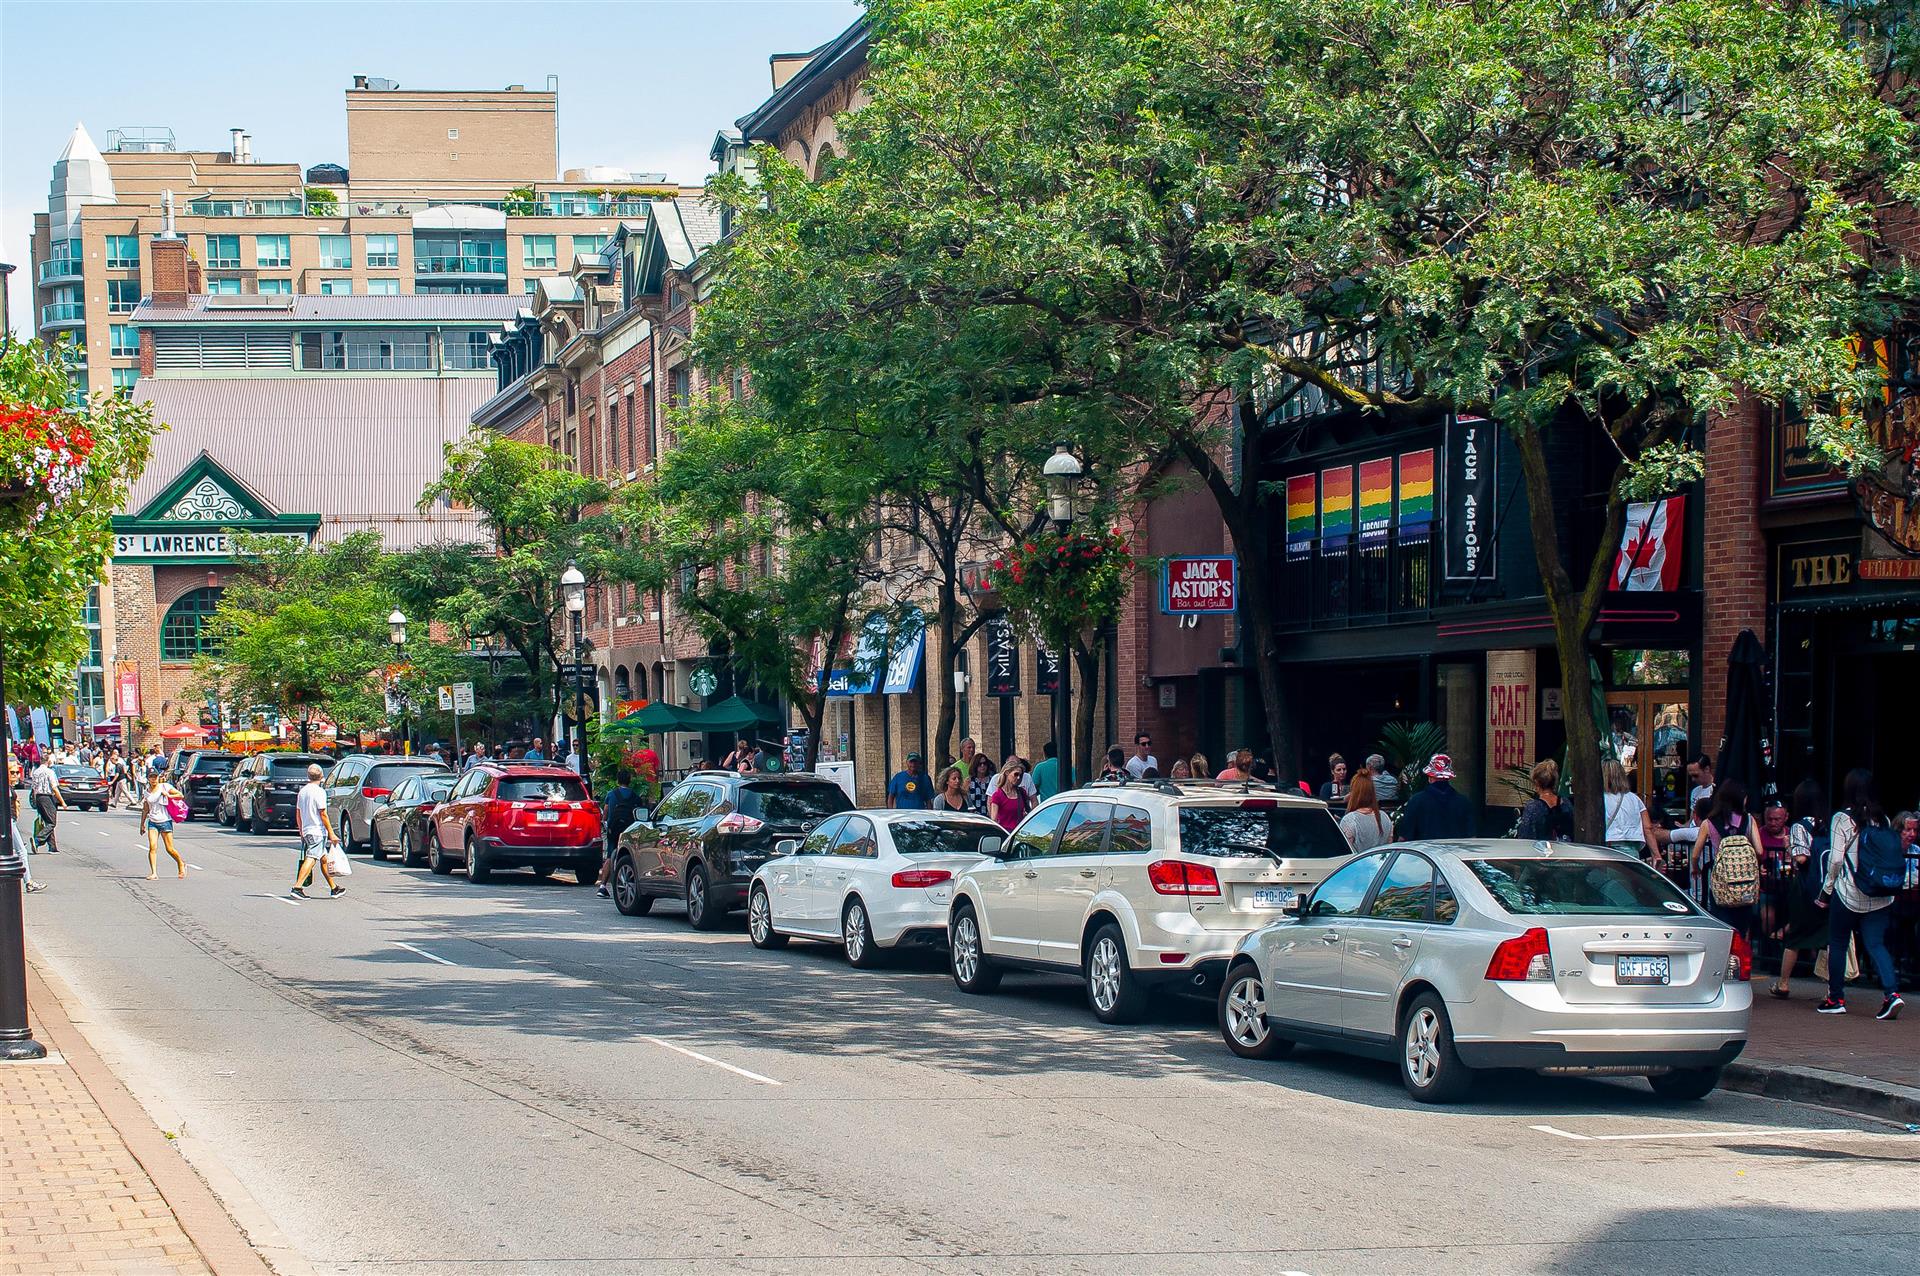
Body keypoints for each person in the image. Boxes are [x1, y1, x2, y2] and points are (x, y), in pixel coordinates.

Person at [1817, 768, 1902, 1019]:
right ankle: (1892, 995)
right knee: (1876, 944)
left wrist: (1825, 891)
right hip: (1880, 893)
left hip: (1850, 892)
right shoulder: (1883, 819)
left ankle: (1836, 998)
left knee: (1838, 943)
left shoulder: (1842, 819)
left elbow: (1835, 860)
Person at [1770, 779, 1831, 1000]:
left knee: (1795, 935)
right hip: (1828, 886)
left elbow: (1802, 857)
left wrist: (1789, 847)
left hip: (1805, 886)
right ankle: (1831, 990)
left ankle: (1783, 982)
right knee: (1829, 939)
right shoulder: (1831, 823)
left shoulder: (1799, 826)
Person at [291, 763, 343, 899]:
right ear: (322, 777)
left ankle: (334, 888)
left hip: (308, 829)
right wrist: (331, 832)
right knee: (312, 857)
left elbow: (298, 812)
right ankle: (297, 887)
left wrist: (301, 830)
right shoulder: (319, 792)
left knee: (324, 859)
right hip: (317, 830)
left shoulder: (303, 791)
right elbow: (323, 814)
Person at [1396, 754, 1475, 840]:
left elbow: (1404, 837)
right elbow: (1472, 837)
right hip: (1456, 852)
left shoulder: (1416, 801)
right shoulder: (1464, 802)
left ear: (1430, 776)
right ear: (1448, 777)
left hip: (1424, 851)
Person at [595, 770, 639, 898]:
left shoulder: (611, 794)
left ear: (618, 780)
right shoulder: (635, 796)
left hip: (614, 830)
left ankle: (602, 886)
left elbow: (606, 812)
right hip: (629, 830)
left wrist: (604, 822)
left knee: (610, 855)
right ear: (629, 780)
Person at [1601, 759, 1657, 859]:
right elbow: (1648, 828)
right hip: (1632, 845)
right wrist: (1656, 854)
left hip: (1608, 843)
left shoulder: (1600, 799)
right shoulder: (1635, 799)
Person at [138, 769, 187, 881]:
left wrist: (168, 795)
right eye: (151, 777)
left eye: (155, 776)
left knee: (169, 848)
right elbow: (145, 809)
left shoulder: (165, 786)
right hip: (153, 822)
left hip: (165, 821)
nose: (153, 779)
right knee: (152, 846)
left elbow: (180, 795)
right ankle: (154, 873)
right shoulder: (146, 792)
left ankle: (180, 863)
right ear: (148, 778)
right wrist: (142, 824)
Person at [1515, 759, 1576, 842]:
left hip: (1540, 852)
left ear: (1536, 783)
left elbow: (1525, 837)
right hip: (1566, 851)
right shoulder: (1566, 803)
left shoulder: (1533, 807)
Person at [8, 760, 45, 893]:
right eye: (12, 772)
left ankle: (28, 881)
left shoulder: (9, 787)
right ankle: (28, 882)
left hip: (10, 822)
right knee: (21, 852)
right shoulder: (5, 788)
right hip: (8, 823)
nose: (16, 775)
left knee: (20, 851)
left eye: (17, 772)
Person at [1339, 769, 1394, 853]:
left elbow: (1345, 853)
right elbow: (1389, 846)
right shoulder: (1385, 817)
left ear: (1353, 793)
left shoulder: (1349, 820)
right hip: (1382, 864)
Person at [27, 756, 67, 855]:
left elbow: (34, 788)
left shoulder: (35, 772)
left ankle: (52, 847)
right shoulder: (50, 772)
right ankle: (37, 840)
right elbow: (54, 788)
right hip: (47, 797)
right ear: (48, 761)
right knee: (52, 823)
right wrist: (62, 801)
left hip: (39, 797)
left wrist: (35, 802)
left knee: (47, 821)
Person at [988, 760, 1026, 832]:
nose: (1018, 778)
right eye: (1016, 774)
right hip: (1005, 833)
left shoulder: (1022, 792)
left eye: (1020, 776)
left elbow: (1028, 811)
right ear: (1007, 773)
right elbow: (994, 820)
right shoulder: (997, 795)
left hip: (1019, 833)